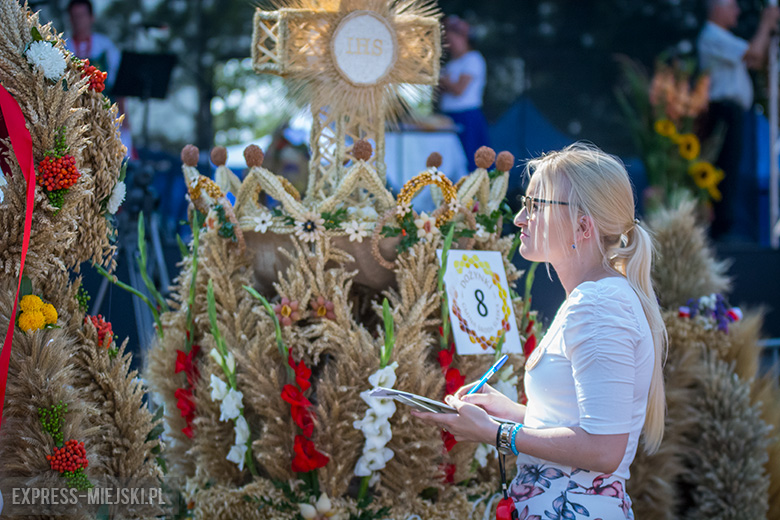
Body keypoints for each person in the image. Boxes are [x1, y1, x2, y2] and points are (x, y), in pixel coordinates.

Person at [412, 144, 667, 519]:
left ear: (582, 226)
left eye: (535, 206)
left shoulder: (597, 304)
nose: (519, 218)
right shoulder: (596, 298)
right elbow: (578, 427)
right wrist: (510, 414)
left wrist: (497, 433)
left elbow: (603, 450)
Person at [697, 0, 780, 242]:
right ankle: (720, 230)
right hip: (721, 112)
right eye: (732, 5)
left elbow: (755, 59)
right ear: (717, 8)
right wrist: (766, 22)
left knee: (731, 169)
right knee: (723, 169)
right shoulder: (712, 35)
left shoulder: (723, 38)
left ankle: (725, 227)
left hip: (732, 113)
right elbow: (754, 52)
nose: (738, 11)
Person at [65, 0, 134, 158]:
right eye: (74, 16)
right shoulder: (64, 46)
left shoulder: (105, 46)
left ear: (91, 18)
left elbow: (119, 85)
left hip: (105, 116)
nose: (78, 20)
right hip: (75, 119)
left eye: (81, 15)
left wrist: (125, 120)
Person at [439, 15, 490, 172]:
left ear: (464, 38)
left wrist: (444, 81)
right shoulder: (451, 64)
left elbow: (459, 89)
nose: (450, 43)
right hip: (448, 118)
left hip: (467, 117)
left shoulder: (473, 59)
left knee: (470, 160)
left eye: (453, 37)